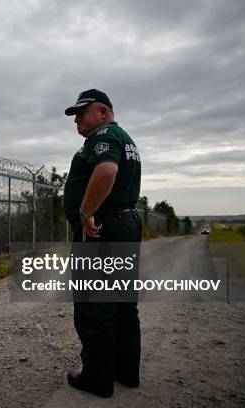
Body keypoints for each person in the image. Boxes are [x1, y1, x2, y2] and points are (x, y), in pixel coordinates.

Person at [62, 89, 142, 398]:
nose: (78, 119)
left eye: (83, 112)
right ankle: (126, 372)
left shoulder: (104, 136)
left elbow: (107, 171)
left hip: (102, 229)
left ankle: (97, 379)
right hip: (124, 223)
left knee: (95, 306)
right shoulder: (124, 137)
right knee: (122, 303)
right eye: (75, 115)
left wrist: (85, 213)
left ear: (104, 113)